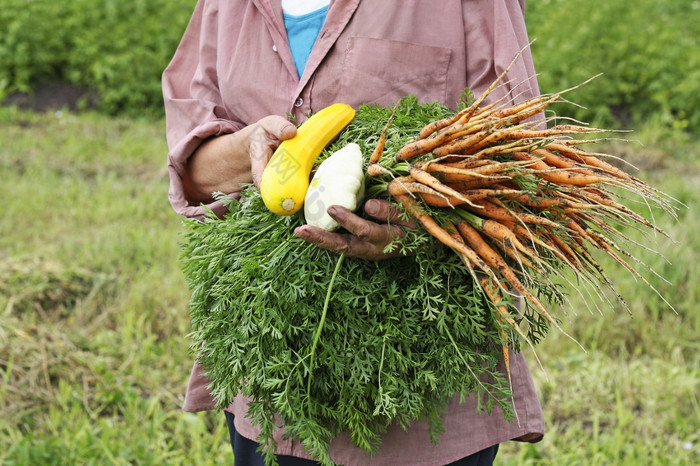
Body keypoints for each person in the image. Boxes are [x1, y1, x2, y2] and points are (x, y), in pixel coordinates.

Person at [163, 1, 545, 464]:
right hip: (266, 372)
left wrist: (420, 229)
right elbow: (194, 172)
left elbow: (523, 171)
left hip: (419, 381)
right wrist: (248, 150)